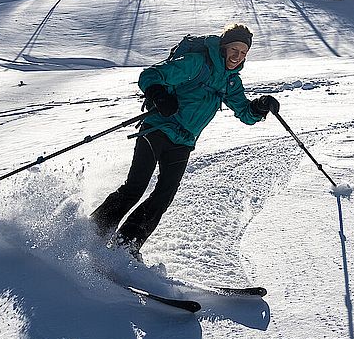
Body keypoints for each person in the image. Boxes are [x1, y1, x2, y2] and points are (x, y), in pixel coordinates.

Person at [90, 24, 279, 258]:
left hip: (184, 142)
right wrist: (159, 94)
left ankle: (125, 247)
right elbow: (151, 75)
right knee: (135, 187)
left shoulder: (230, 82)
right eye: (234, 49)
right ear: (223, 47)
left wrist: (260, 106)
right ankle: (91, 234)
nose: (237, 56)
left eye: (243, 53)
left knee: (163, 196)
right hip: (158, 129)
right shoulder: (197, 63)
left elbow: (245, 113)